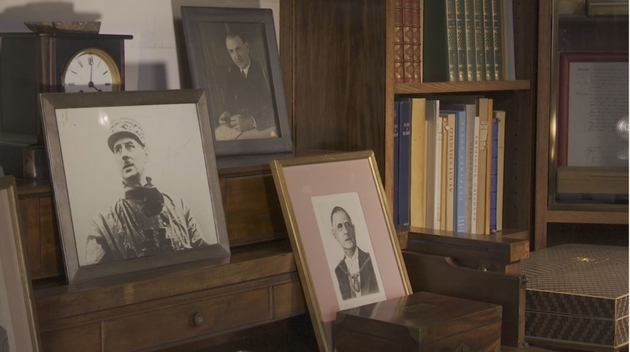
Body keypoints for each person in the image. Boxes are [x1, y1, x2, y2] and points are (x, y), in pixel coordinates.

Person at [85, 118, 210, 265]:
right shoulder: (102, 223)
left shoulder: (178, 206)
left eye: (130, 146)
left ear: (146, 153)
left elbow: (206, 260)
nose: (124, 154)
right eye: (117, 149)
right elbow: (97, 281)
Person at [217, 31, 276, 138]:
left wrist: (251, 122)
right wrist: (226, 113)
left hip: (264, 128)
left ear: (247, 47)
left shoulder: (264, 70)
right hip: (241, 131)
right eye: (231, 51)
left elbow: (276, 107)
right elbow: (229, 100)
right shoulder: (232, 73)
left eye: (238, 49)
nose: (236, 57)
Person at [330, 206, 379, 300]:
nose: (346, 231)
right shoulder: (338, 271)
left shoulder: (371, 260)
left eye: (347, 225)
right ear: (335, 234)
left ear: (353, 229)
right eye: (340, 227)